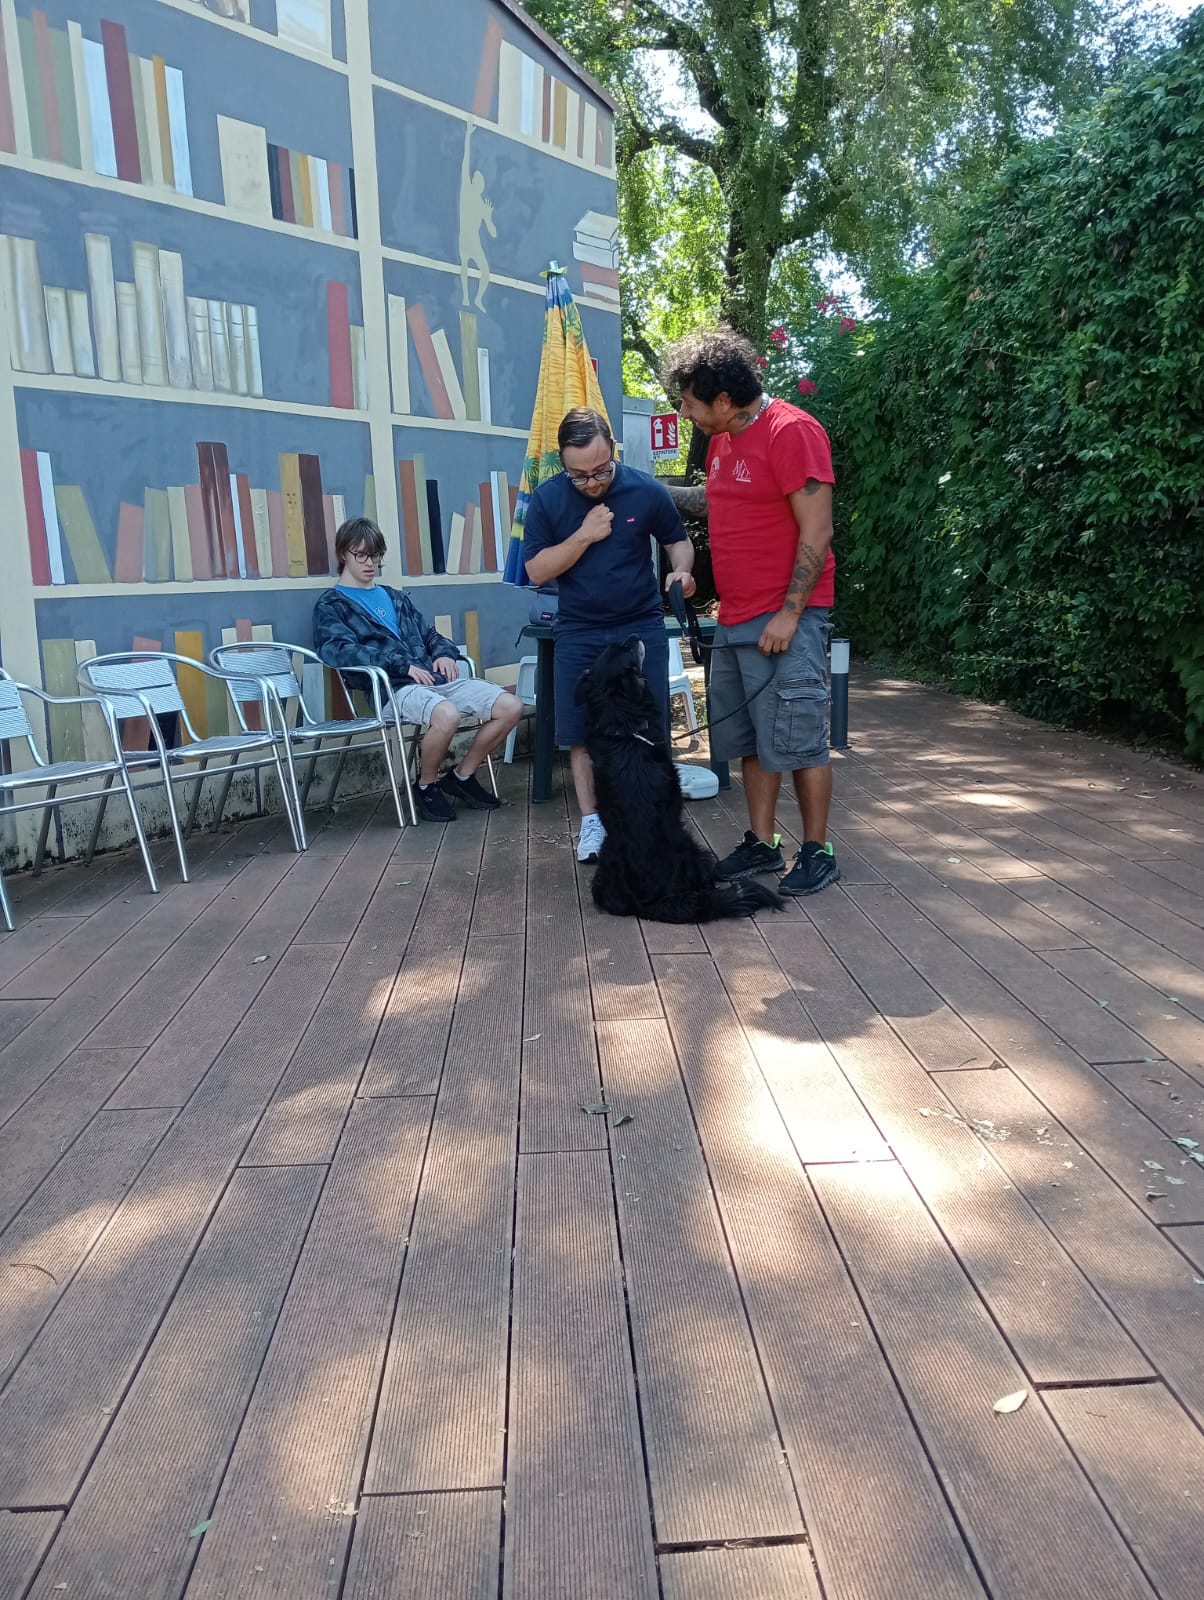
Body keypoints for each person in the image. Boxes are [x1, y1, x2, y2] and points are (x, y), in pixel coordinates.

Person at [663, 327, 840, 896]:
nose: (685, 413)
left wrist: (790, 614)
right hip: (736, 617)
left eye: (689, 403)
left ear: (723, 400)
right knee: (748, 740)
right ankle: (763, 843)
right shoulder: (722, 441)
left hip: (787, 618)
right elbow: (713, 502)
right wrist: (641, 488)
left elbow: (817, 530)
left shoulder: (793, 432)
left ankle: (818, 850)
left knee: (801, 736)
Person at [522, 408, 696, 863]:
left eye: (601, 470)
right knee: (580, 732)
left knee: (652, 725)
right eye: (579, 475)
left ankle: (654, 820)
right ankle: (593, 823)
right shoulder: (547, 499)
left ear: (613, 449)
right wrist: (584, 535)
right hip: (578, 629)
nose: (592, 482)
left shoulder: (645, 489)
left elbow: (677, 540)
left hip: (641, 624)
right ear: (563, 462)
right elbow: (536, 570)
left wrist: (681, 571)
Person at [313, 517, 522, 822]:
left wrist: (444, 653)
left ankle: (462, 777)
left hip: (434, 681)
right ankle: (426, 784)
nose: (370, 563)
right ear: (343, 553)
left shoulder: (395, 598)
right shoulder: (332, 605)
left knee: (511, 707)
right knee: (447, 715)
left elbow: (429, 635)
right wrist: (401, 664)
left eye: (375, 555)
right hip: (392, 688)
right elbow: (337, 651)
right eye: (361, 555)